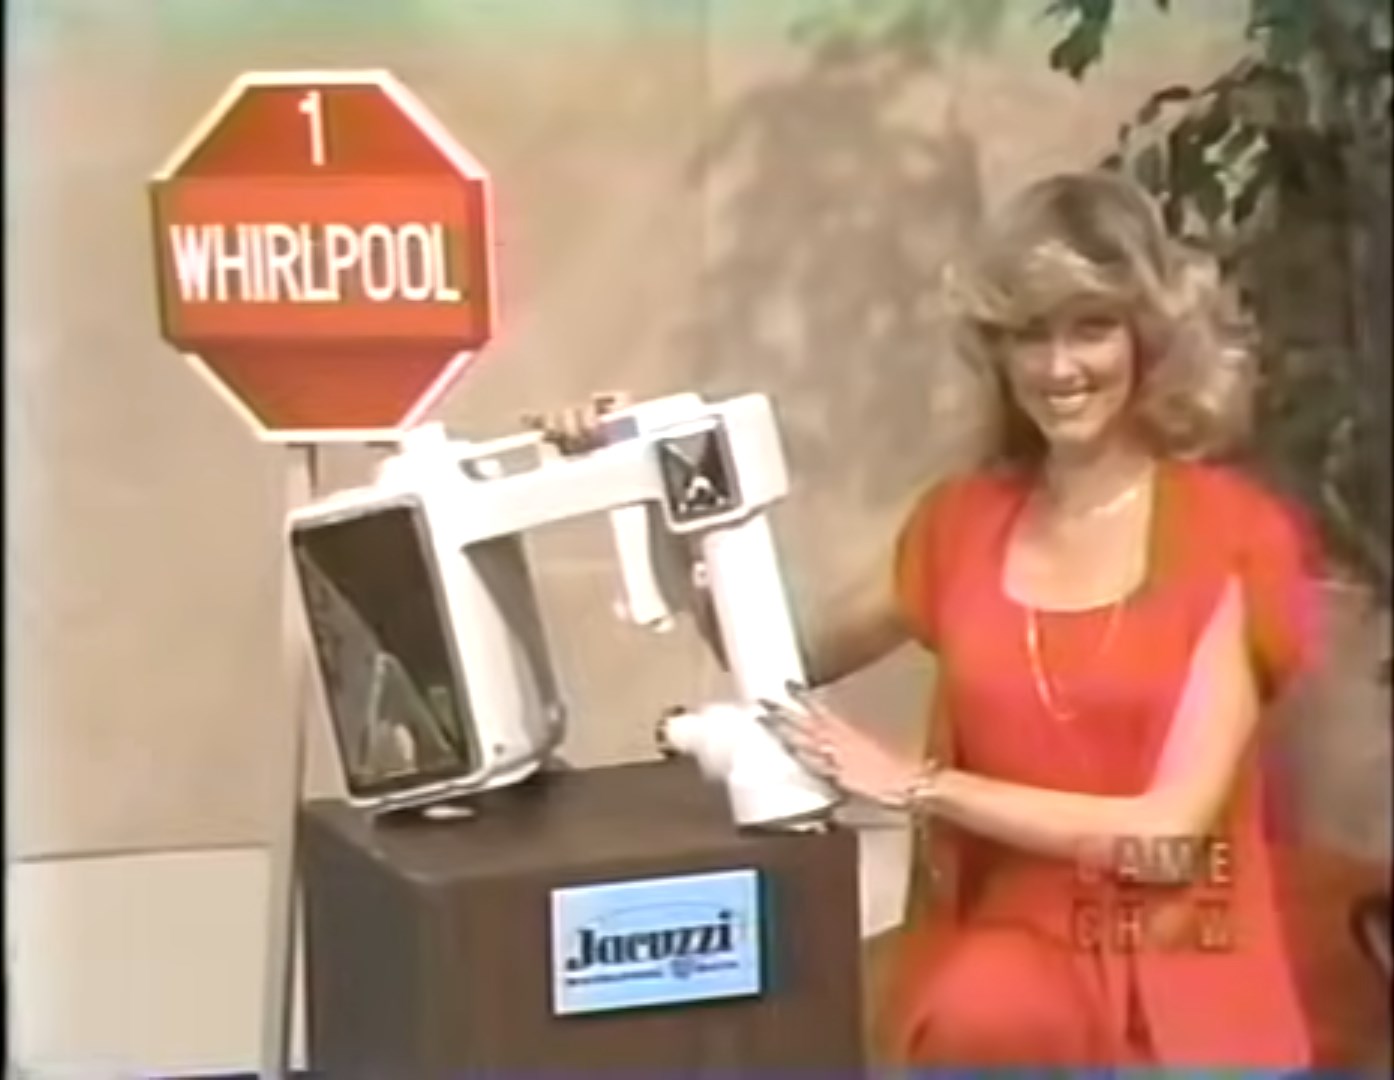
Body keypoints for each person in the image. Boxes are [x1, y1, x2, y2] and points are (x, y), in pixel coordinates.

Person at [534, 170, 1324, 1070]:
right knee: (980, 1015)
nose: (1060, 367)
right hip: (1004, 1002)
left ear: (1148, 338)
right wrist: (643, 476)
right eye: (1031, 334)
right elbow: (767, 652)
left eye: (1091, 326)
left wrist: (921, 785)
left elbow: (1168, 831)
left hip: (1197, 999)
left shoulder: (1236, 534)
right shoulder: (959, 526)